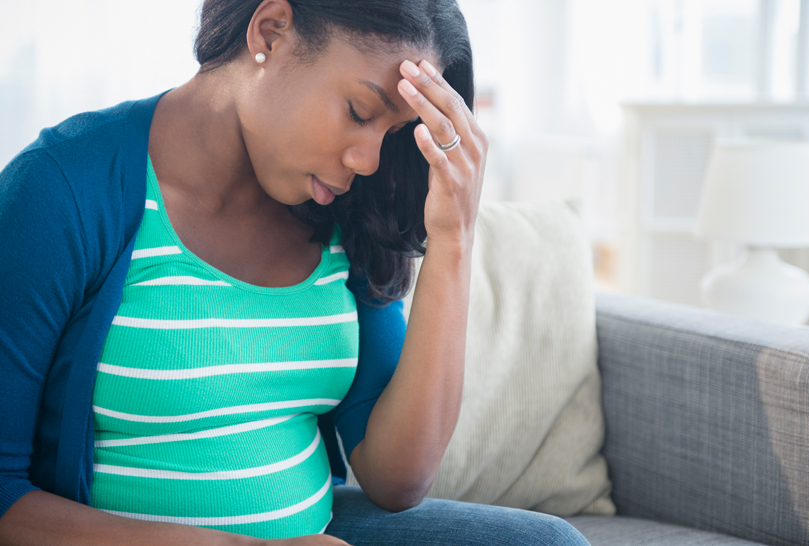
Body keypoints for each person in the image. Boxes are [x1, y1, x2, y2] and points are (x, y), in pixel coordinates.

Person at [0, 1, 591, 544]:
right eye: (358, 111)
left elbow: (398, 478)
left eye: (388, 133)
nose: (367, 161)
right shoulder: (59, 191)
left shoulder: (343, 211)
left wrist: (454, 239)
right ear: (271, 32)